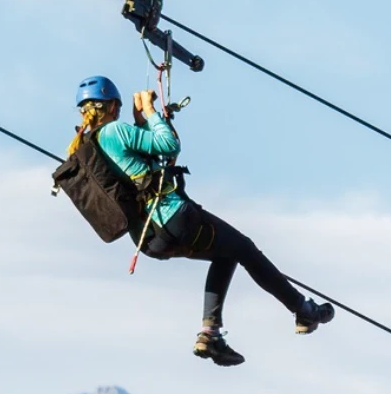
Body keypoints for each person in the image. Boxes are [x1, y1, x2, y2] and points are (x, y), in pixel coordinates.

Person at [69, 76, 333, 367]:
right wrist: (150, 111)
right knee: (245, 248)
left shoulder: (88, 146)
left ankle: (211, 334)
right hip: (174, 216)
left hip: (149, 240)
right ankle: (302, 309)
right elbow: (168, 146)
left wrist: (141, 121)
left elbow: (147, 160)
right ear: (111, 105)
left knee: (227, 254)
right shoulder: (114, 131)